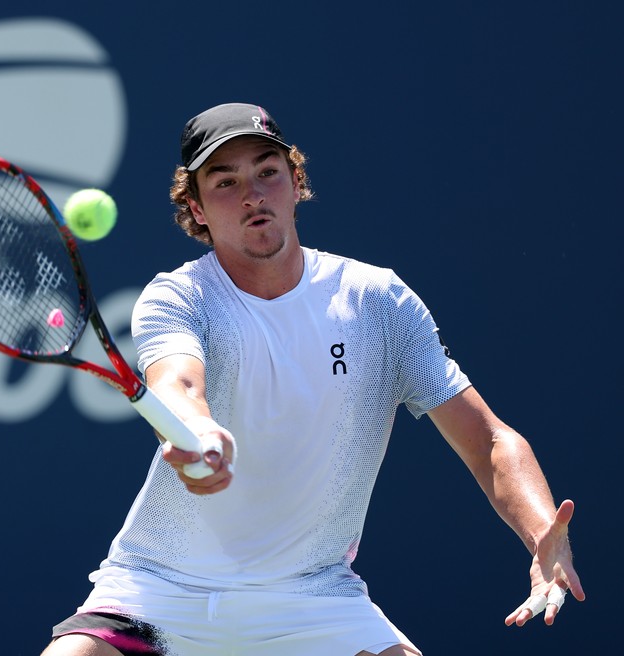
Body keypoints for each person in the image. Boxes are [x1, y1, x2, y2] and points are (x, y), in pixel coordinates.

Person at [41, 103, 585, 656]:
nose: (253, 194)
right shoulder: (178, 297)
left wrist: (541, 532)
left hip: (313, 599)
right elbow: (178, 385)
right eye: (225, 182)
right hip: (158, 591)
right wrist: (198, 431)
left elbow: (488, 440)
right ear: (196, 209)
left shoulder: (379, 302)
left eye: (267, 171)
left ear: (295, 182)